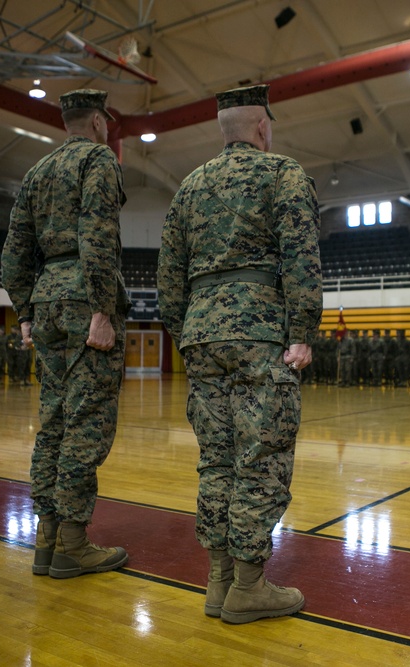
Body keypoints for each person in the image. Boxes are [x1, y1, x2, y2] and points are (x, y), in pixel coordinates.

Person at [156, 84, 322, 624]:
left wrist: (188, 331)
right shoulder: (283, 173)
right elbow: (301, 255)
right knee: (261, 455)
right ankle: (248, 587)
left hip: (201, 333)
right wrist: (303, 330)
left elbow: (168, 277)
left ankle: (219, 582)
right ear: (263, 128)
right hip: (260, 331)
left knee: (217, 459)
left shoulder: (189, 186)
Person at [2, 88, 130, 579]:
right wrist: (102, 308)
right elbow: (98, 233)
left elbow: (15, 249)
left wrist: (25, 311)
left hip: (46, 299)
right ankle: (73, 544)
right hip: (83, 299)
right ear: (98, 121)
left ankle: (46, 539)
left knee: (53, 422)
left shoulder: (37, 172)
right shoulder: (98, 159)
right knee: (86, 422)